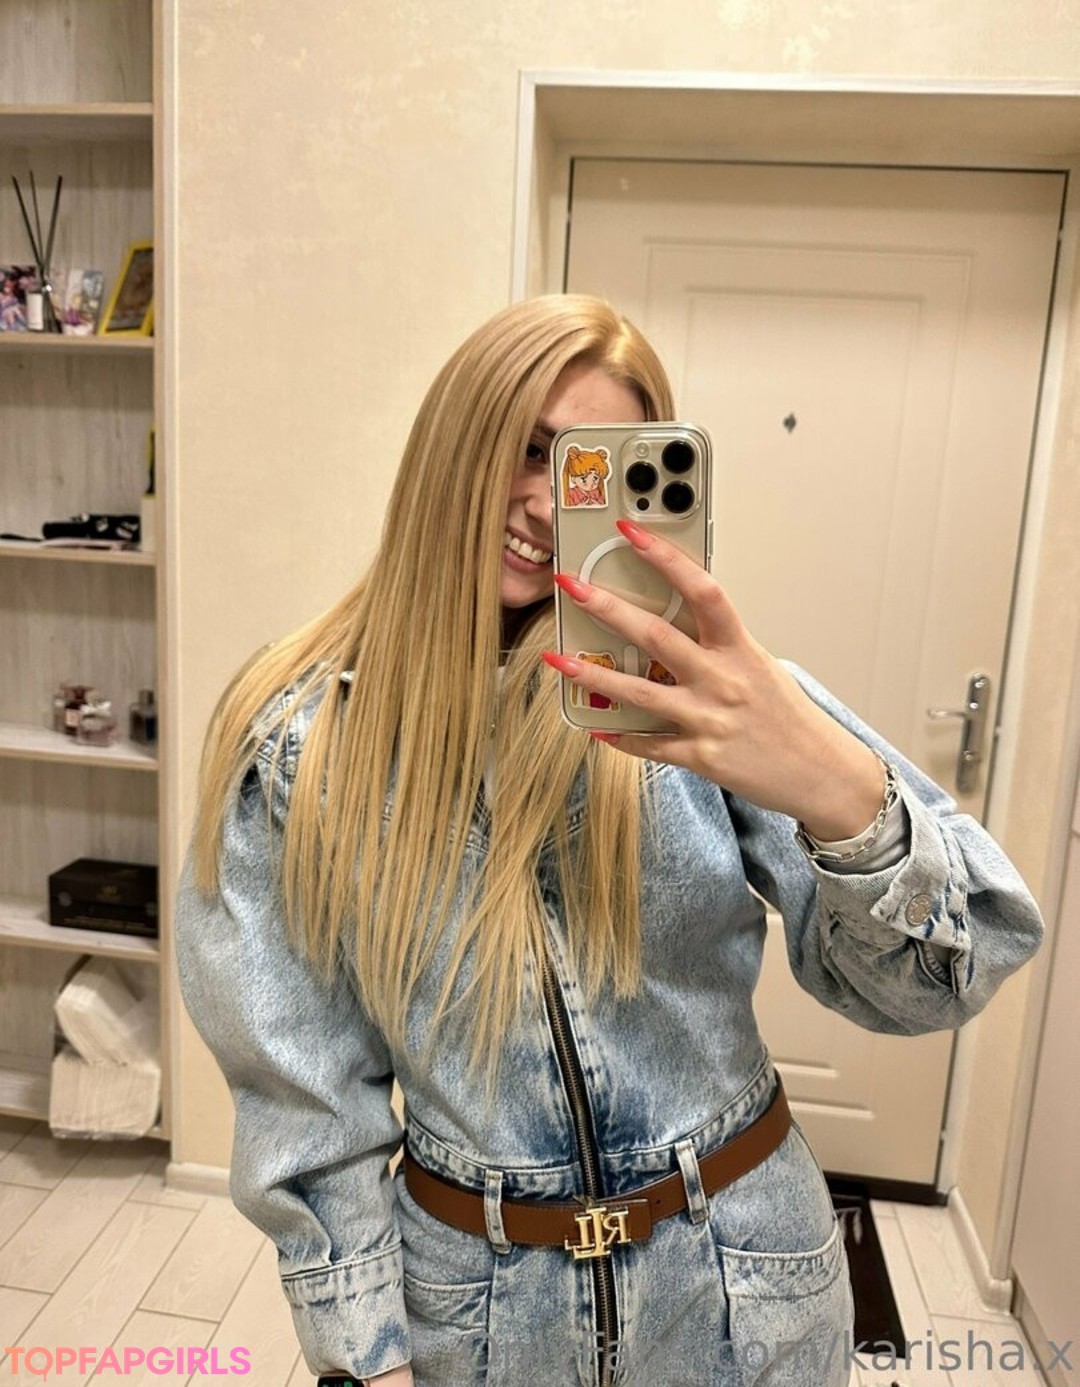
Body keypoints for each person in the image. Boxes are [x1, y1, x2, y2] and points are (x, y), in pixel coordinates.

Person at [175, 294, 1044, 1387]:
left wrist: (832, 782)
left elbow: (944, 979)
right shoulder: (298, 745)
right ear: (451, 443)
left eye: (592, 470)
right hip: (474, 1316)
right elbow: (303, 1095)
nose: (547, 505)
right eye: (529, 448)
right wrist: (367, 1355)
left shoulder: (702, 706)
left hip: (745, 1282)